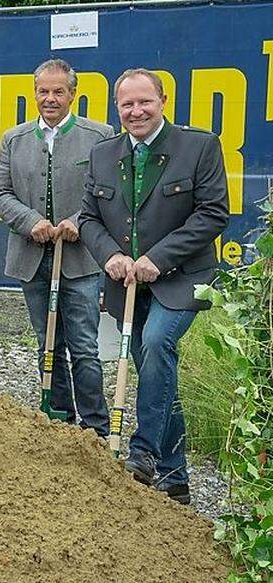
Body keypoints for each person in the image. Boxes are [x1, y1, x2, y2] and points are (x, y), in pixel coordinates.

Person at [80, 68, 229, 504]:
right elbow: (89, 218)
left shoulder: (198, 146)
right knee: (156, 374)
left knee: (158, 340)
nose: (136, 111)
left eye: (144, 101)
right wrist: (111, 256)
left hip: (183, 278)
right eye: (127, 104)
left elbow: (213, 213)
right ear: (117, 108)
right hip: (127, 282)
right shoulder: (103, 154)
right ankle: (176, 476)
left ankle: (143, 452)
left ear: (163, 101)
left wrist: (157, 259)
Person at [0, 59, 114, 436]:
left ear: (73, 95)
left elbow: (106, 193)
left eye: (57, 91)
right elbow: (1, 192)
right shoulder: (14, 139)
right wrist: (32, 223)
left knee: (83, 346)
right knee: (48, 343)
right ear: (34, 94)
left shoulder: (100, 136)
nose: (50, 99)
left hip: (80, 262)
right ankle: (59, 417)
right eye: (43, 92)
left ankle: (95, 427)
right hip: (32, 259)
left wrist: (78, 222)